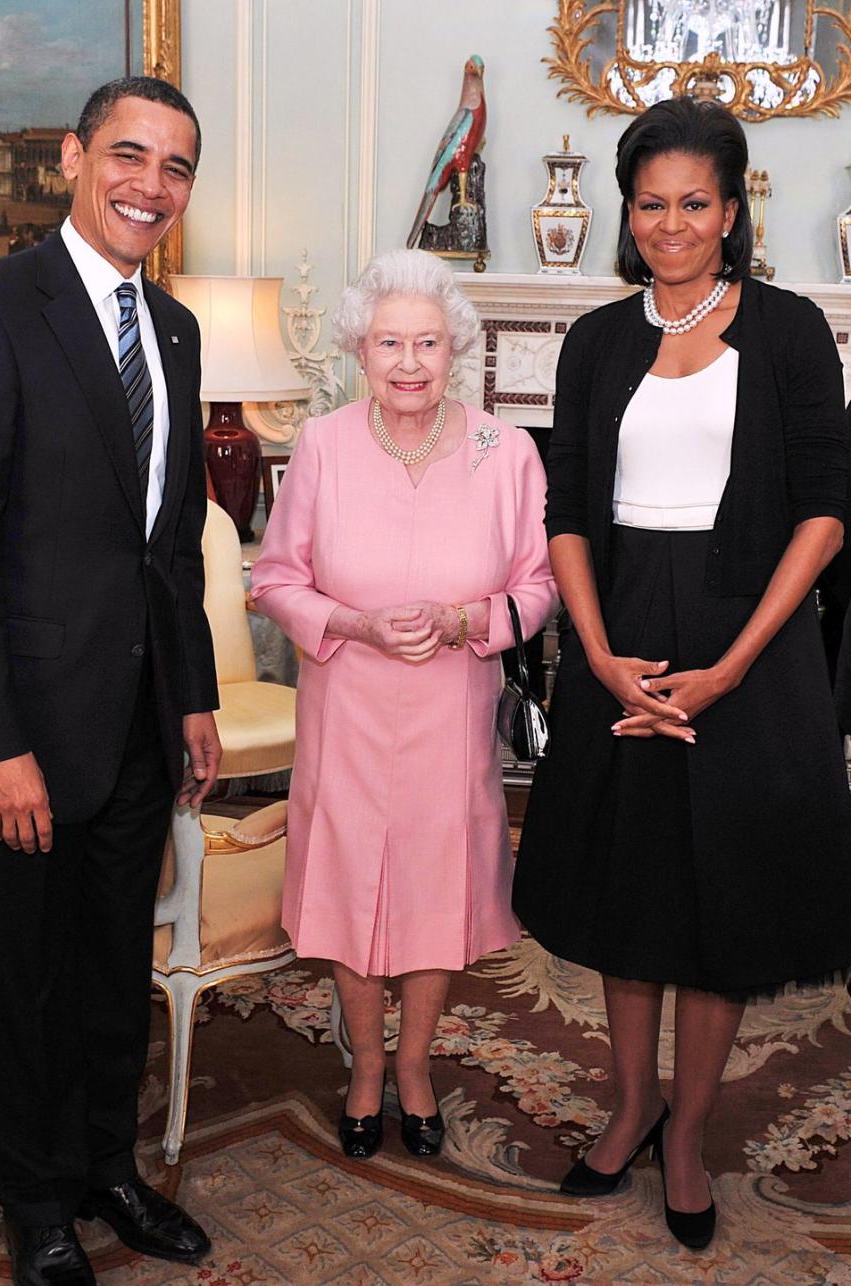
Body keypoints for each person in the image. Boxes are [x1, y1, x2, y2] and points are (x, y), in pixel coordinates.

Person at [513, 96, 851, 1252]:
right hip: (621, 642)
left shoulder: (794, 331)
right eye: (650, 203)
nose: (670, 224)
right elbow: (565, 511)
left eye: (693, 203)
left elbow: (825, 510)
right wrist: (597, 654)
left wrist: (734, 664)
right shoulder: (597, 340)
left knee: (723, 908)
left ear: (731, 209)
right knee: (628, 893)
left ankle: (691, 1131)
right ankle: (629, 1105)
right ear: (628, 209)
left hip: (749, 644)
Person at [0, 76, 221, 1286]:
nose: (151, 184)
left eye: (176, 167)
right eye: (129, 155)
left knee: (107, 975)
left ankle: (104, 1165)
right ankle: (36, 1195)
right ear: (75, 159)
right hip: (24, 734)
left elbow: (171, 540)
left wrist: (190, 693)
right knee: (22, 980)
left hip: (138, 724)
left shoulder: (176, 329)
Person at [251, 248, 556, 1162]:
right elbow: (274, 579)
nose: (411, 361)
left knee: (436, 886)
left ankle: (414, 1067)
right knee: (348, 884)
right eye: (391, 342)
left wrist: (470, 619)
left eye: (428, 341)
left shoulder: (509, 452)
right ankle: (366, 1071)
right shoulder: (323, 444)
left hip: (451, 714)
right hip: (347, 703)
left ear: (455, 346)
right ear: (359, 349)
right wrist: (357, 624)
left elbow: (539, 588)